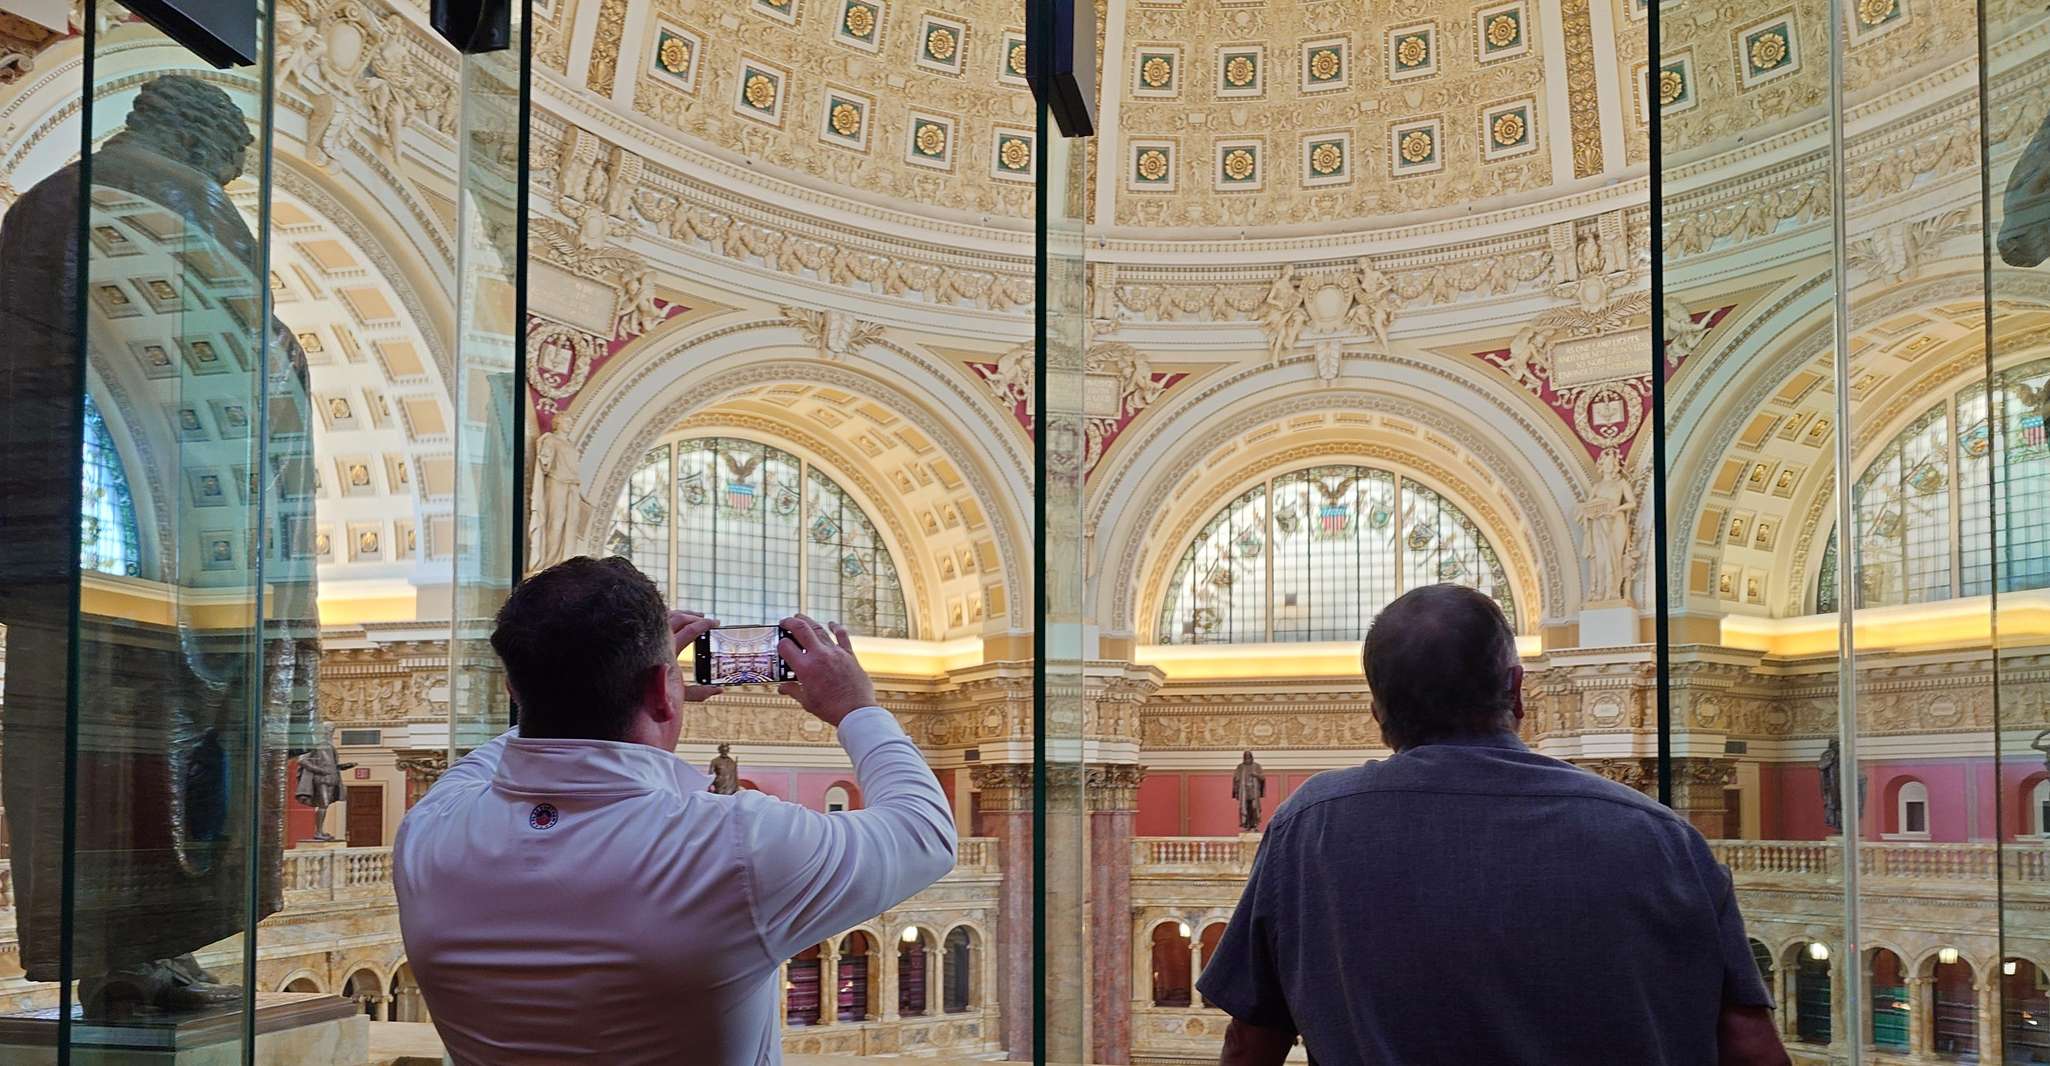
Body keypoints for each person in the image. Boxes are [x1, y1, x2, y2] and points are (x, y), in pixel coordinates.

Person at [392, 556, 956, 1065]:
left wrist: (638, 681)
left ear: (514, 688)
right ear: (664, 691)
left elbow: (517, 747)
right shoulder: (734, 849)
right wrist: (857, 708)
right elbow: (924, 832)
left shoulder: (429, 833)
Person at [1198, 584, 1787, 1066]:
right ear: (1516, 689)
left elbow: (1250, 1042)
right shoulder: (1662, 835)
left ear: (1377, 710)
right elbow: (1750, 1046)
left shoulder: (1308, 826)